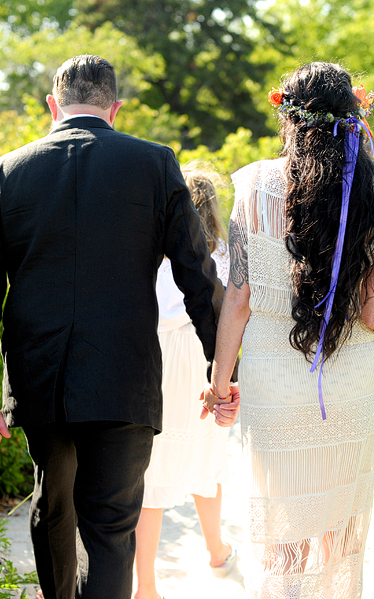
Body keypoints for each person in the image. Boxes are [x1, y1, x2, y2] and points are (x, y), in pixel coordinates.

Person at [0, 55, 226, 599]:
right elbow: (199, 276)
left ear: (53, 106)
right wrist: (224, 371)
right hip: (124, 376)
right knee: (111, 526)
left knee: (53, 507)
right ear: (115, 108)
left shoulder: (7, 172)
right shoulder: (155, 164)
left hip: (40, 379)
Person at [203, 62, 374, 598]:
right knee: (341, 534)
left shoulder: (252, 182)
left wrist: (220, 390)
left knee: (282, 531)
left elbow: (237, 299)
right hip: (354, 386)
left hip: (272, 388)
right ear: (354, 114)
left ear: (287, 113)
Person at [133, 165, 236, 599]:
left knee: (152, 478)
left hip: (162, 363)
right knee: (206, 463)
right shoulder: (225, 254)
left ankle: (148, 586)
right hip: (206, 357)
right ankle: (216, 552)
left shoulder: (152, 251)